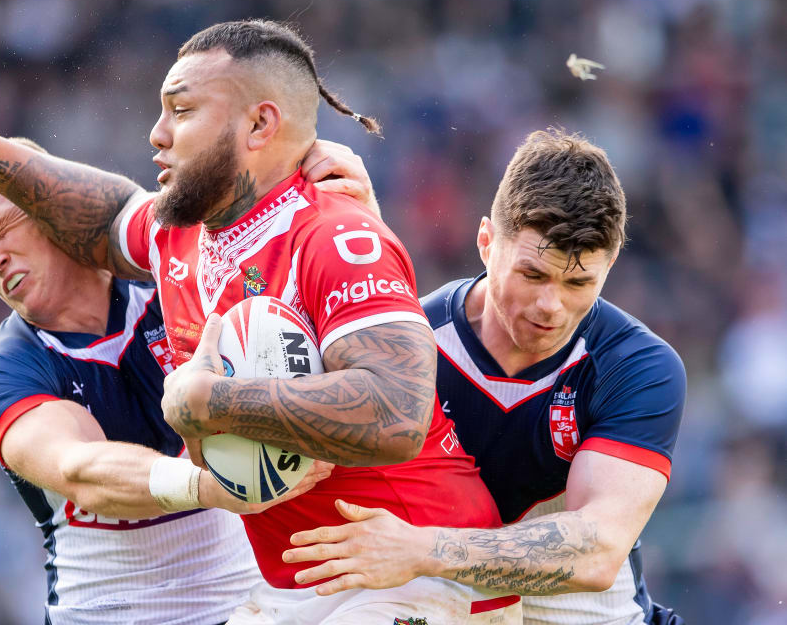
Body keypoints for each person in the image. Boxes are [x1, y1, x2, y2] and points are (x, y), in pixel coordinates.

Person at [0, 20, 519, 623]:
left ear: (259, 124)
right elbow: (107, 216)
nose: (157, 134)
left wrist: (221, 401)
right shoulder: (177, 241)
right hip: (295, 591)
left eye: (181, 111)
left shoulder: (337, 232)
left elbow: (398, 410)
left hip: (413, 574)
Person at [283, 129, 686, 624]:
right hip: (446, 610)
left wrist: (423, 550)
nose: (551, 306)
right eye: (533, 275)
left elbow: (597, 550)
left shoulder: (637, 367)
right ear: (485, 243)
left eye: (579, 283)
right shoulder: (415, 343)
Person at [0, 137, 336, 624]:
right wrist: (214, 487)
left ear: (51, 204)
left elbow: (298, 272)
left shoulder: (175, 280)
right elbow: (79, 469)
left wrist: (341, 191)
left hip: (251, 606)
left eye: (0, 229)